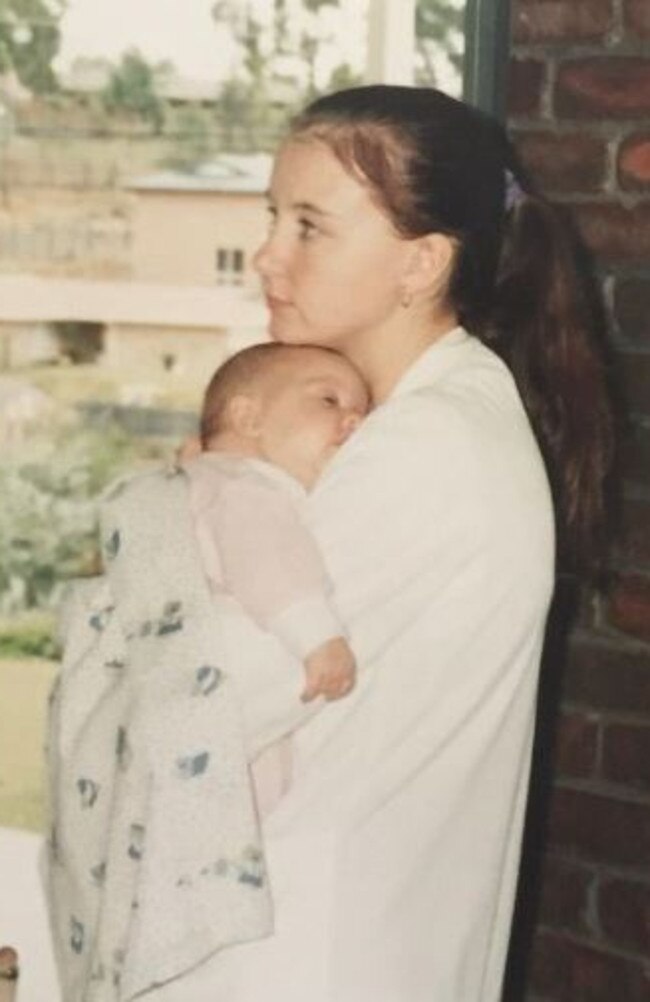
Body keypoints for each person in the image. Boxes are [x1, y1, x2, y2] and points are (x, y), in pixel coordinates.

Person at [151, 85, 614, 1002]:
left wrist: (172, 531)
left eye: (310, 227)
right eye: (272, 217)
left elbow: (191, 701)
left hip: (311, 959)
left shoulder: (425, 450)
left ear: (422, 264)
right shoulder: (412, 419)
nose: (267, 256)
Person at [185, 341, 369, 710]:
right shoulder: (241, 485)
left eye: (363, 414)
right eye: (329, 401)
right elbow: (266, 559)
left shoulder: (204, 484)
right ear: (249, 418)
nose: (355, 421)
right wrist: (318, 637)